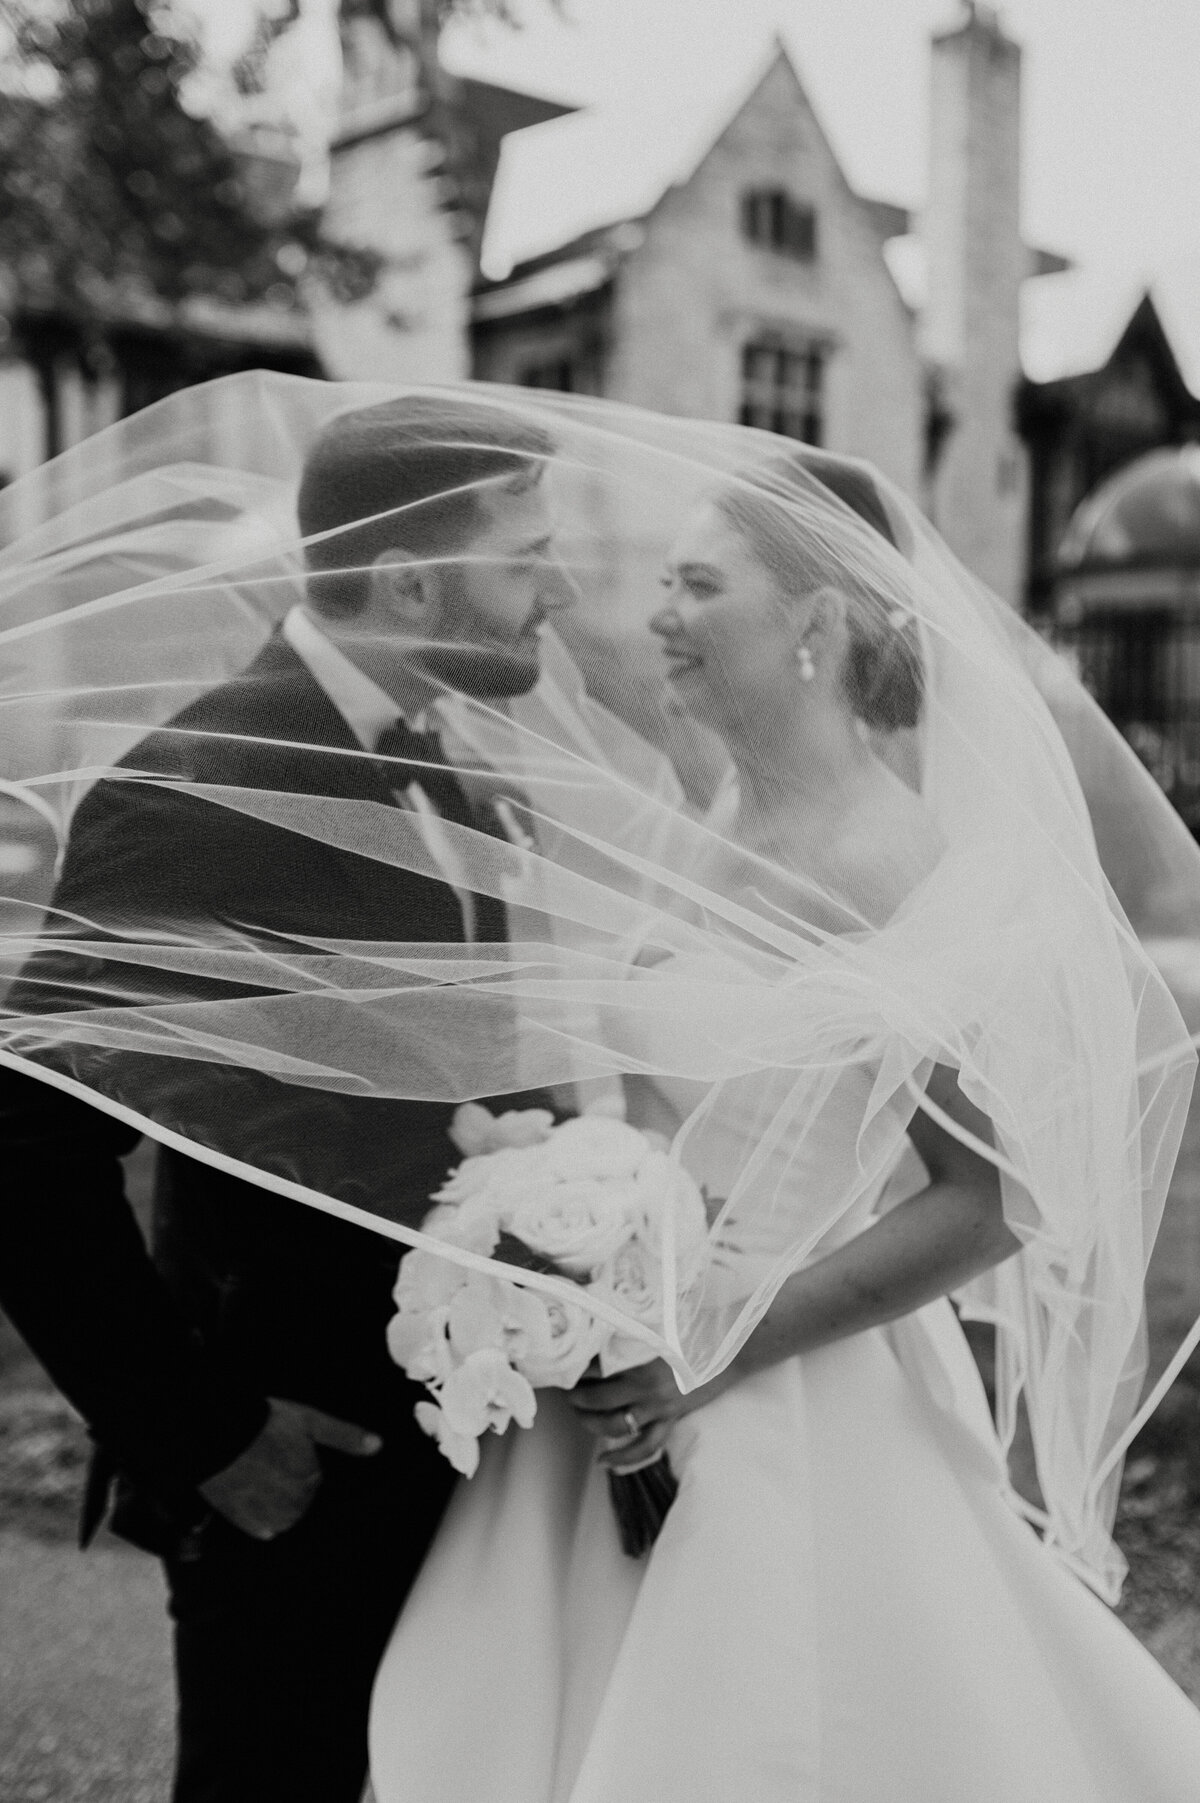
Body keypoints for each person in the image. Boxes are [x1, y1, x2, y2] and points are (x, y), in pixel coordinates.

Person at [366, 452, 1200, 1801]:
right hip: (630, 1389)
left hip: (798, 1394)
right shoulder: (720, 818)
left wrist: (712, 1346)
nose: (660, 618)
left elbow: (991, 1203)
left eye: (699, 586)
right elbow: (660, 1121)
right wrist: (571, 1246)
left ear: (816, 620)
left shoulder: (890, 863)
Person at [0, 391, 577, 1803]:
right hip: (290, 1475)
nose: (556, 593)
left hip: (467, 1452)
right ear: (411, 580)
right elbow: (21, 1155)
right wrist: (210, 1437)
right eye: (529, 559)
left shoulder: (457, 769)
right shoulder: (195, 785)